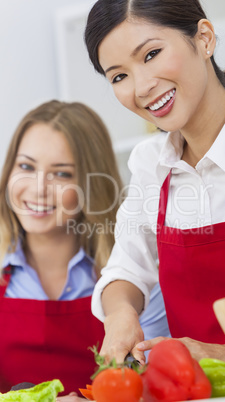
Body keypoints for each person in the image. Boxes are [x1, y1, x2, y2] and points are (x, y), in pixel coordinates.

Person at [84, 0, 225, 366]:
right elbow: (127, 269)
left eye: (151, 54)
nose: (142, 87)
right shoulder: (152, 167)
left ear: (204, 38)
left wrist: (224, 356)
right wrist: (122, 314)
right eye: (119, 76)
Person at [0, 100, 170, 400]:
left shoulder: (136, 279)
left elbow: (159, 385)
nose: (38, 188)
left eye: (61, 174)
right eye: (26, 166)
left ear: (90, 184)